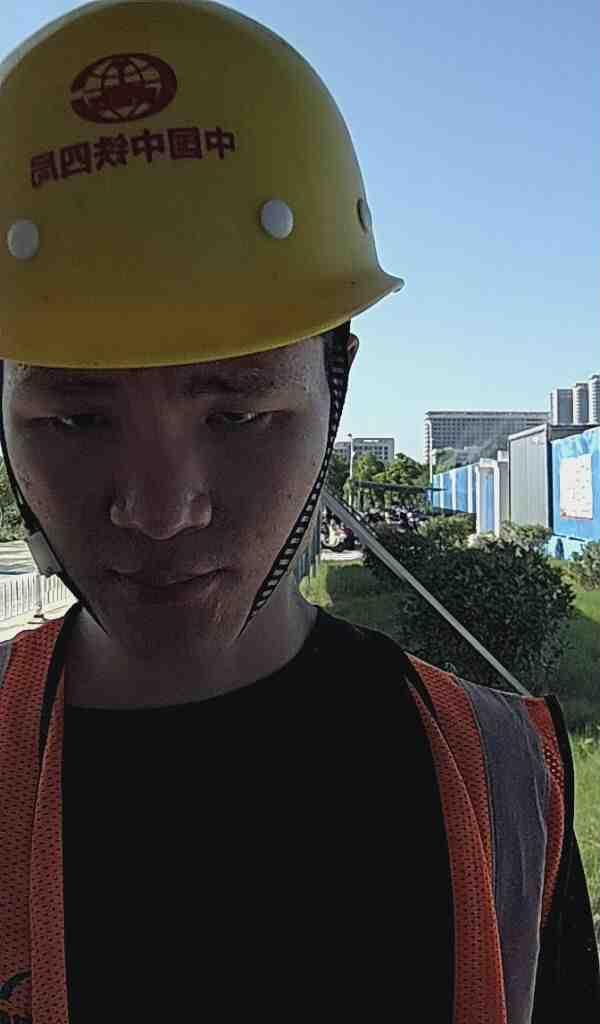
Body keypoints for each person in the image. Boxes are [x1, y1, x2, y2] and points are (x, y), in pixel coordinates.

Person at [0, 3, 597, 1022]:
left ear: (337, 385)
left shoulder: (505, 785)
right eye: (75, 417)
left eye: (238, 413)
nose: (160, 509)